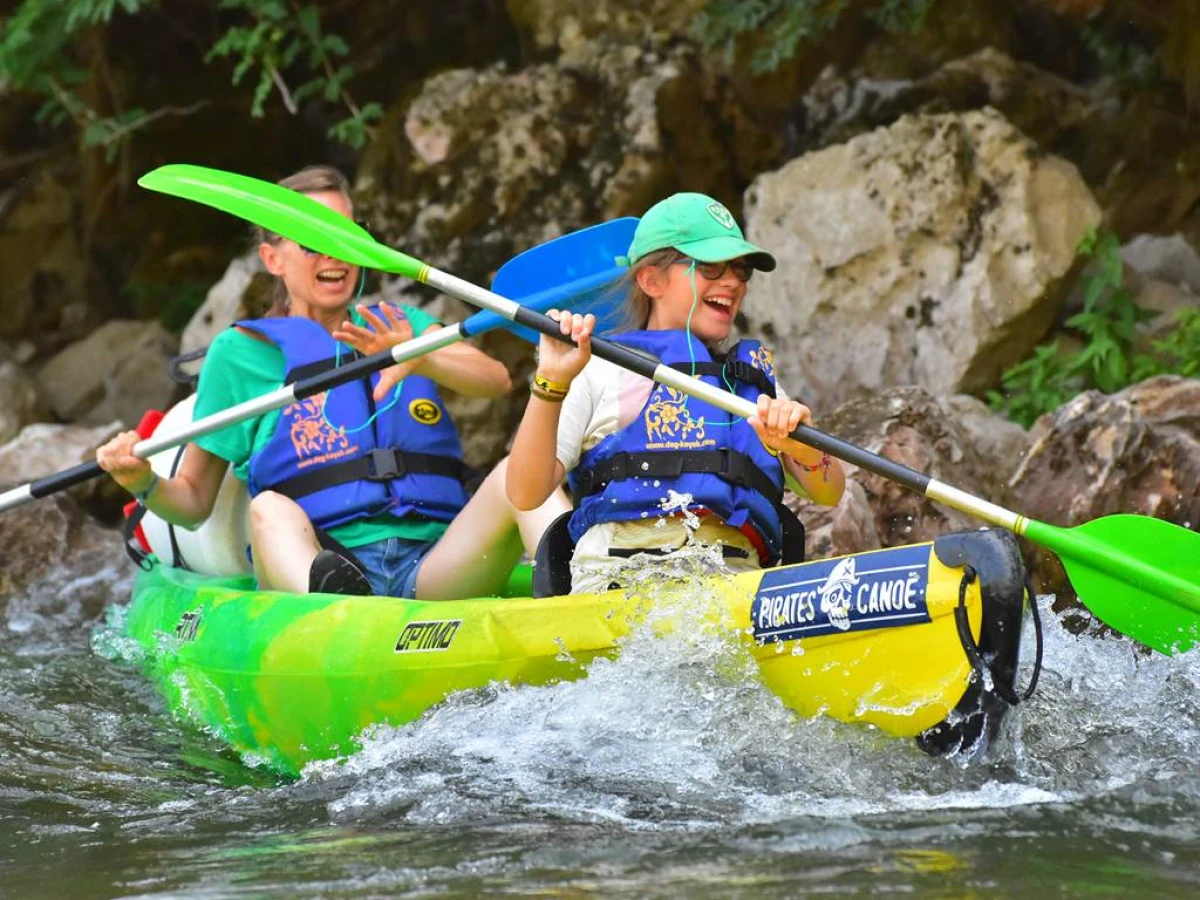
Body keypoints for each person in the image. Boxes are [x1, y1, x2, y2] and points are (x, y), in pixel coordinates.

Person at [98, 165, 565, 598]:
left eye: (343, 234)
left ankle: (588, 588)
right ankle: (339, 604)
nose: (333, 252)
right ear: (273, 259)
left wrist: (421, 359)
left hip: (435, 564)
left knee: (514, 472)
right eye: (310, 239)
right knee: (268, 510)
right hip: (323, 564)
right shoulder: (240, 354)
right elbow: (195, 500)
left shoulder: (401, 325)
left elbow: (495, 379)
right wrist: (142, 483)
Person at [506, 191, 845, 594]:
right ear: (651, 279)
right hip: (619, 583)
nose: (734, 281)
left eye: (740, 269)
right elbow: (525, 493)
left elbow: (831, 491)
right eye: (712, 267)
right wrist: (551, 383)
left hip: (735, 585)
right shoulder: (597, 368)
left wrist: (803, 449)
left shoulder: (751, 385)